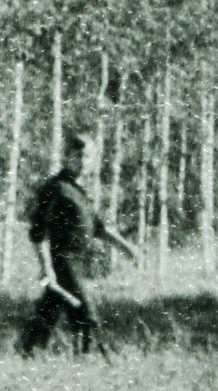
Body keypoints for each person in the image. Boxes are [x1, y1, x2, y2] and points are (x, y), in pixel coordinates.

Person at [18, 136, 136, 355]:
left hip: (79, 262)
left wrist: (127, 247)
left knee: (49, 310)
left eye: (88, 156)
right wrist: (47, 268)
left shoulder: (80, 191)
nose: (83, 161)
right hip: (63, 261)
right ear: (68, 157)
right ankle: (90, 362)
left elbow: (99, 227)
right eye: (78, 155)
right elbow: (38, 232)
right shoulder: (55, 188)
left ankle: (28, 352)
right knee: (85, 312)